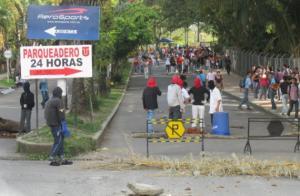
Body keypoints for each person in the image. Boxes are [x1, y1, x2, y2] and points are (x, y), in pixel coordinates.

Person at [45, 87, 72, 166]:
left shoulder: (49, 100)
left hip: (51, 124)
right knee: (59, 141)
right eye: (61, 93)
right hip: (56, 124)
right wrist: (63, 124)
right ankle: (52, 157)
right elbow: (61, 113)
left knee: (60, 140)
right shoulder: (58, 101)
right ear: (59, 94)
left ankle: (62, 158)